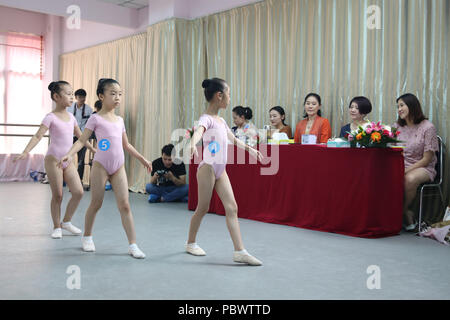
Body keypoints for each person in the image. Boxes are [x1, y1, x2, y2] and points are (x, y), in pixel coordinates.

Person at [59, 78, 152, 259]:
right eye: (113, 93)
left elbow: (126, 144)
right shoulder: (95, 118)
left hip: (118, 167)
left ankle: (133, 244)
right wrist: (70, 154)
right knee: (96, 203)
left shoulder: (119, 119)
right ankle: (87, 236)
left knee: (125, 205)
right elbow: (82, 140)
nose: (117, 97)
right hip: (101, 166)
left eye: (120, 94)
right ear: (101, 96)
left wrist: (143, 159)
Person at [186, 78, 263, 266]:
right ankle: (190, 243)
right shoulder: (206, 119)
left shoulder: (221, 120)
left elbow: (233, 139)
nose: (229, 98)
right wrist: (191, 143)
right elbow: (198, 131)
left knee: (232, 207)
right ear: (219, 96)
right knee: (202, 208)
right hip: (208, 168)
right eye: (228, 93)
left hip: (221, 170)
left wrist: (250, 149)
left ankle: (240, 251)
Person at [14, 81, 95, 239]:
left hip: (68, 159)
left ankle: (66, 221)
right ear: (56, 97)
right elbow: (38, 135)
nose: (72, 97)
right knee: (58, 195)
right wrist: (25, 151)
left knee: (78, 192)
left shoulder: (71, 117)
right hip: (53, 160)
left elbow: (81, 137)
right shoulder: (50, 117)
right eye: (68, 94)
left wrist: (93, 149)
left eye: (73, 94)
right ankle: (56, 226)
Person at [394, 93, 439, 231]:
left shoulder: (427, 127)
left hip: (423, 166)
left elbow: (427, 159)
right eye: (398, 107)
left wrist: (405, 170)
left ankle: (400, 212)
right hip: (401, 163)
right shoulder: (397, 126)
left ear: (412, 106)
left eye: (402, 105)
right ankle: (396, 213)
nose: (399, 109)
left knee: (410, 179)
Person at [67, 89, 93, 183]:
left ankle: (79, 180)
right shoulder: (69, 108)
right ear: (76, 97)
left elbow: (90, 124)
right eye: (80, 97)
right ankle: (65, 179)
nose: (82, 99)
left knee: (81, 160)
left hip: (83, 137)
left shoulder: (89, 110)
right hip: (70, 136)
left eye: (84, 97)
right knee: (67, 157)